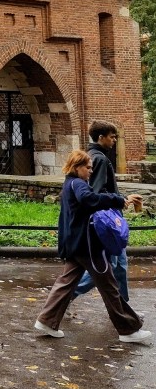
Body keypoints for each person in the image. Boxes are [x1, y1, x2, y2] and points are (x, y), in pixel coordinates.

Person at [34, 149, 150, 345]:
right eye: (87, 168)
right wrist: (119, 200)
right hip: (87, 246)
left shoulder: (70, 183)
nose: (90, 171)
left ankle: (46, 321)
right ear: (77, 167)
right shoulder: (78, 184)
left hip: (74, 243)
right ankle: (128, 330)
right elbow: (90, 199)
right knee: (110, 286)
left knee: (65, 283)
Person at [72, 121, 141, 305]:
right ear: (101, 137)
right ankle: (66, 296)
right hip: (108, 221)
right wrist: (121, 200)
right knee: (108, 267)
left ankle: (124, 307)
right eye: (112, 137)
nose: (115, 140)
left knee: (119, 266)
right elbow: (96, 193)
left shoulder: (92, 156)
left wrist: (122, 198)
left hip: (108, 218)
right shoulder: (100, 159)